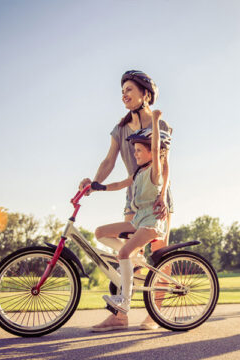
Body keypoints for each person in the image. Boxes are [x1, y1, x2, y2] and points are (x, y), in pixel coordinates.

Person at [80, 70, 172, 331]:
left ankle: (155, 315)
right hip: (133, 199)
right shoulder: (120, 129)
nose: (124, 94)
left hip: (157, 198)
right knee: (125, 256)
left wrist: (163, 195)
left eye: (129, 89)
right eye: (122, 90)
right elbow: (109, 160)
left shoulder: (159, 126)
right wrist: (94, 184)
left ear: (145, 94)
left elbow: (165, 165)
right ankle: (119, 315)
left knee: (159, 256)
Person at [93, 114, 171, 323]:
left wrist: (154, 121)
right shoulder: (137, 173)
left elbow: (156, 150)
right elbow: (119, 184)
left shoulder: (155, 172)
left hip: (151, 223)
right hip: (138, 221)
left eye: (138, 150)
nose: (134, 154)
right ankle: (135, 259)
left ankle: (124, 301)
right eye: (134, 150)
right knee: (100, 232)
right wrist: (98, 187)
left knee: (124, 252)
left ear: (149, 153)